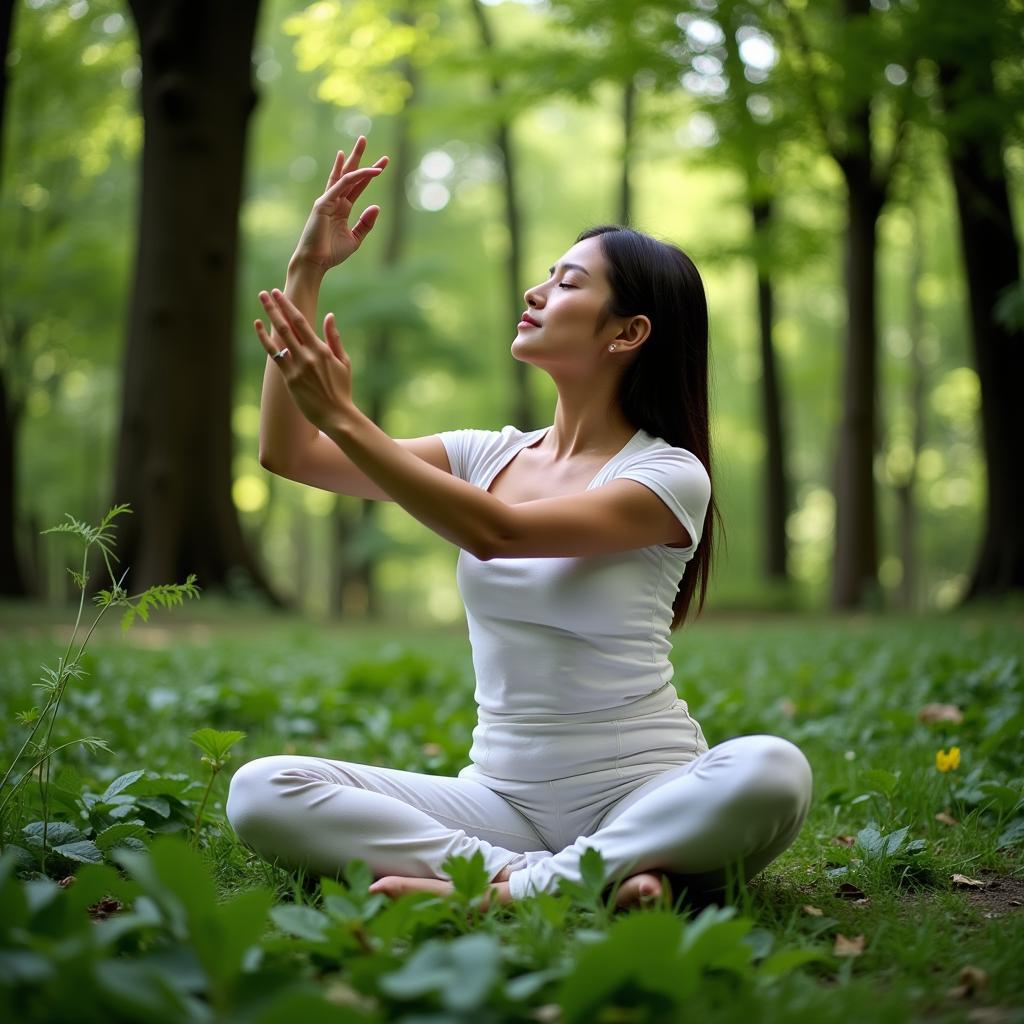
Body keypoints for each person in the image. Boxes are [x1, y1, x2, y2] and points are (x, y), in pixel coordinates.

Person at [225, 136, 812, 910]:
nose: (536, 292)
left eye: (567, 282)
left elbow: (501, 533)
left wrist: (344, 412)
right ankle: (568, 878)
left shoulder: (668, 475)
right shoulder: (483, 454)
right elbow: (290, 452)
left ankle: (507, 889)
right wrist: (307, 270)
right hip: (499, 804)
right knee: (261, 789)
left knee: (773, 770)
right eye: (545, 276)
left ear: (627, 333)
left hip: (646, 791)